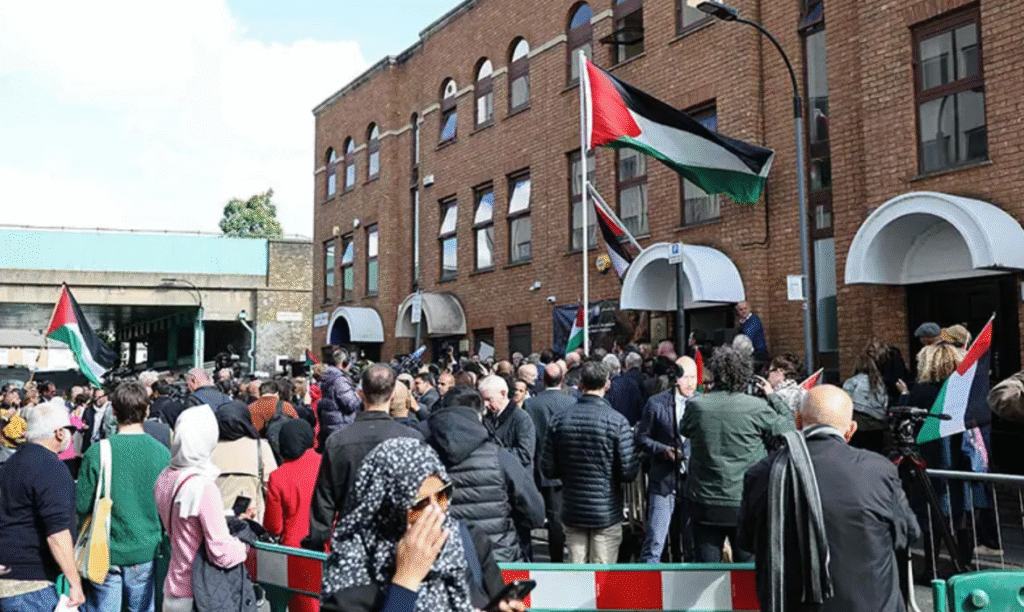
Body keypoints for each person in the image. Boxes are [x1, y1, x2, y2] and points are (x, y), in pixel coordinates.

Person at [738, 385, 920, 612]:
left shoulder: (764, 472)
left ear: (797, 421)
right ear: (851, 429)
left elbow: (747, 540)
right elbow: (907, 535)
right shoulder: (878, 470)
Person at [319, 438, 526, 612]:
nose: (436, 512)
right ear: (386, 509)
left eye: (443, 496)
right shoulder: (352, 573)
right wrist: (406, 580)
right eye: (420, 504)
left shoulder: (468, 541)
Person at [681, 345, 794, 562]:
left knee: (705, 571)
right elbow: (788, 427)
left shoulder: (697, 406)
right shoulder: (756, 407)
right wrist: (772, 396)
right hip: (745, 501)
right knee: (748, 574)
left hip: (705, 501)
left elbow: (684, 429)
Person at [304, 364, 425, 552]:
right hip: (396, 549)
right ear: (392, 395)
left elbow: (324, 503)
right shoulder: (413, 439)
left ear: (361, 393)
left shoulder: (338, 441)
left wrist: (316, 544)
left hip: (352, 548)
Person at [76, 382, 171, 612]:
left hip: (104, 547)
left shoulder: (98, 451)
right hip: (146, 548)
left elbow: (82, 505)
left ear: (114, 411)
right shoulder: (162, 453)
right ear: (146, 411)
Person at [420, 386, 543, 562]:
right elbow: (535, 513)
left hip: (442, 559)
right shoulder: (500, 457)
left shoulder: (422, 454)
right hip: (498, 559)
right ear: (479, 415)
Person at [154, 406, 251, 612]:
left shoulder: (164, 477)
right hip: (199, 593)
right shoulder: (204, 487)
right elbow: (221, 552)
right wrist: (244, 544)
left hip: (173, 587)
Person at [541, 361, 639, 563]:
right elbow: (628, 471)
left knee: (577, 576)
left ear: (581, 384)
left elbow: (548, 469)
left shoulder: (560, 420)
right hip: (606, 510)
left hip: (572, 508)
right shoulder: (617, 421)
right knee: (601, 577)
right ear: (608, 384)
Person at [0, 401, 84, 611]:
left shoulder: (10, 464)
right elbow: (57, 533)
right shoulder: (52, 468)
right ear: (59, 433)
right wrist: (75, 583)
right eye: (70, 429)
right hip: (30, 583)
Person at [636, 357, 698, 563]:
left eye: (694, 377)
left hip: (693, 482)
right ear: (676, 378)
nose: (691, 383)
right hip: (663, 480)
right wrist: (663, 450)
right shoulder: (656, 403)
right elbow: (641, 437)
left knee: (692, 544)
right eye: (686, 377)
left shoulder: (701, 403)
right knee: (655, 540)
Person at [263, 420, 320, 612]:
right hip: (326, 544)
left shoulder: (278, 476)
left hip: (295, 551)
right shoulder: (325, 464)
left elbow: (274, 526)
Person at [523, 363, 575, 562]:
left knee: (553, 517)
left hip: (542, 468)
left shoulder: (531, 405)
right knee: (564, 517)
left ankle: (555, 558)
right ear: (562, 380)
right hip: (569, 468)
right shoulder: (572, 402)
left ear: (543, 380)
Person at [210, 401, 277, 523]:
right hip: (250, 520)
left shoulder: (209, 449)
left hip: (215, 520)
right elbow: (271, 486)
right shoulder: (260, 447)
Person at [479, 376, 536, 470]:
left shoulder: (521, 418)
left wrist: (492, 455)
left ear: (503, 394)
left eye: (489, 399)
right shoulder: (487, 417)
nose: (485, 404)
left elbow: (525, 454)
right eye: (483, 400)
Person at [843, 345, 890, 454]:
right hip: (878, 426)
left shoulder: (851, 382)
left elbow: (845, 403)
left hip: (859, 426)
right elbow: (885, 403)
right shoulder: (879, 383)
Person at [319, 348, 362, 430]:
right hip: (341, 426)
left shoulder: (329, 376)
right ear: (345, 362)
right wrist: (359, 394)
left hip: (332, 424)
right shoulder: (339, 380)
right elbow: (351, 404)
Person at [603, 354, 645, 426]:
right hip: (630, 425)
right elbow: (640, 407)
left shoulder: (607, 387)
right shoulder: (632, 383)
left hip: (612, 425)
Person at [735, 301, 769, 366]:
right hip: (748, 354)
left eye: (745, 308)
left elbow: (748, 335)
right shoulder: (741, 323)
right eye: (741, 309)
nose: (743, 311)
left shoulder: (754, 319)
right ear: (738, 312)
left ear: (750, 309)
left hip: (758, 352)